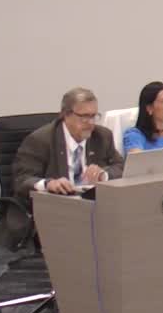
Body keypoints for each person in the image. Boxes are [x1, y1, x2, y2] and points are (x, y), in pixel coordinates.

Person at [7, 88, 124, 242]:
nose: (90, 123)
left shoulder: (102, 136)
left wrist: (104, 174)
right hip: (57, 207)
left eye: (94, 116)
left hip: (93, 206)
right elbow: (21, 180)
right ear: (65, 115)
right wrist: (48, 184)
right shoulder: (41, 140)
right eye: (84, 117)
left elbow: (121, 166)